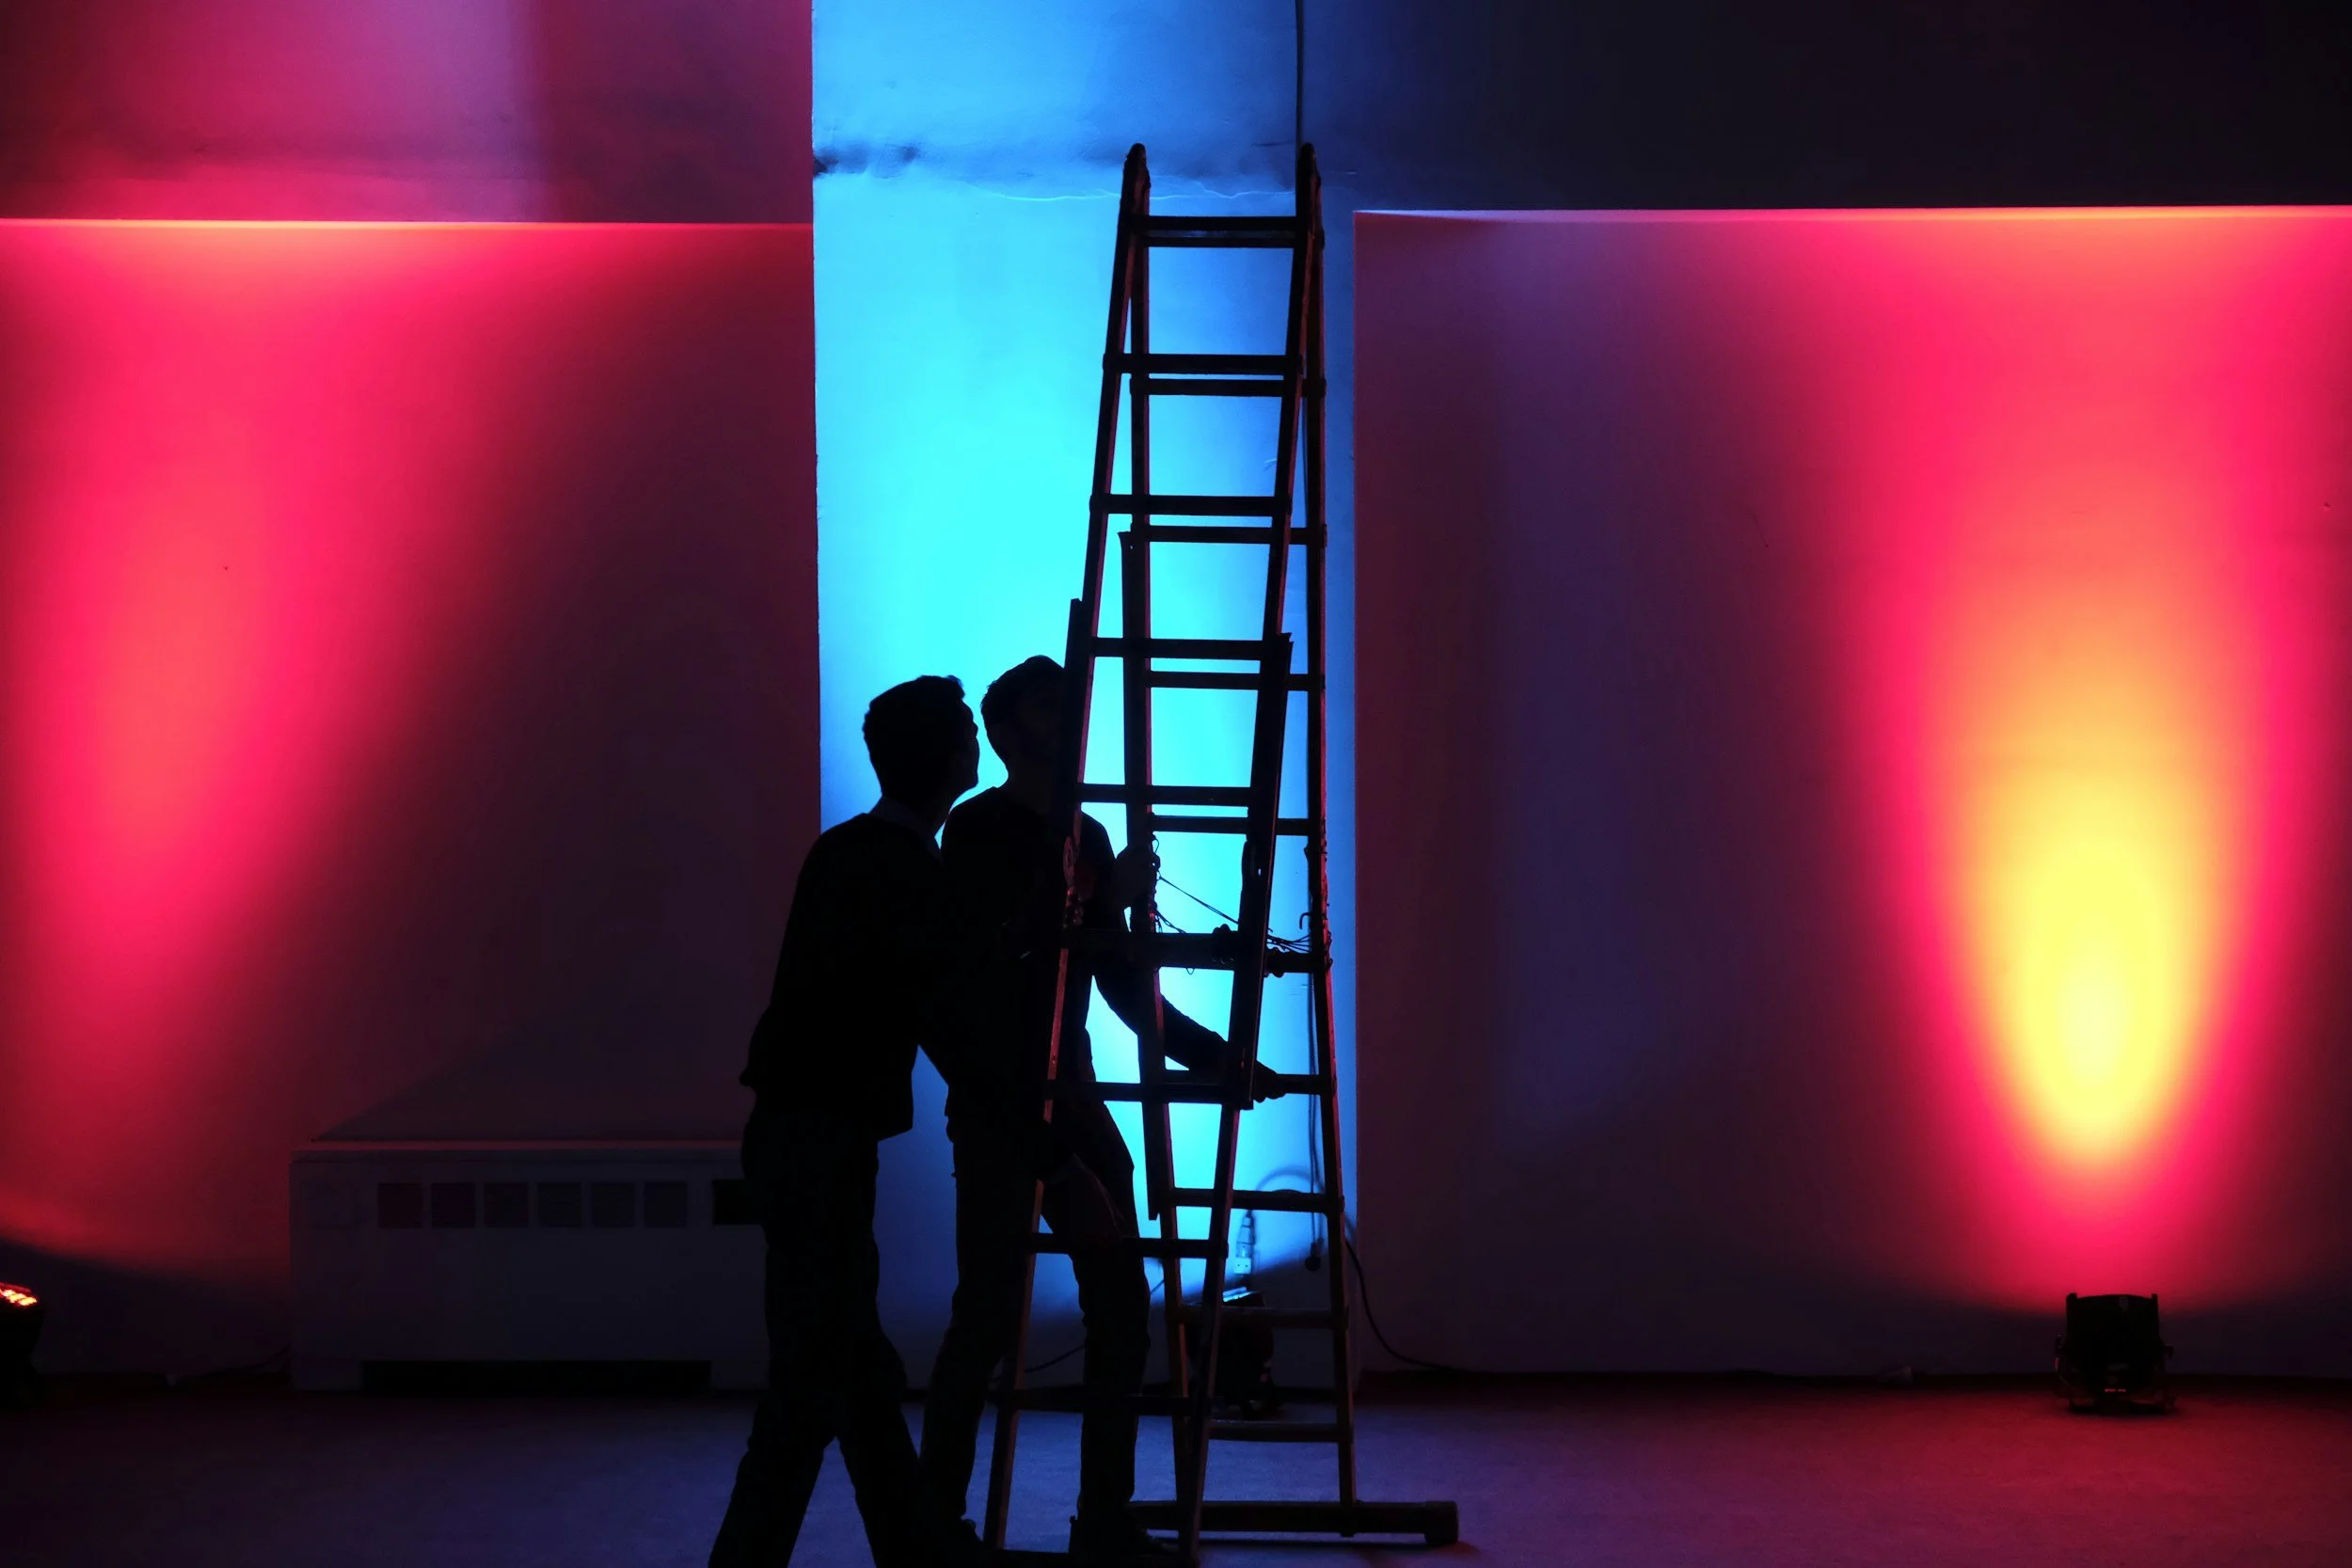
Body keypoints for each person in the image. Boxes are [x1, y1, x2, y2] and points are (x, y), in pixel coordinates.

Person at [920, 656, 1279, 1564]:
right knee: (987, 1318)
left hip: (1073, 1087)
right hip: (1002, 1096)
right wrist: (1089, 902)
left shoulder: (1087, 827)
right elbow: (986, 969)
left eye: (1067, 705)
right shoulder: (975, 831)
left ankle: (1103, 1519)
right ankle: (933, 1530)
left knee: (1120, 1305)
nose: (1066, 720)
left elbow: (1118, 981)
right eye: (1045, 710)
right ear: (1005, 734)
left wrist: (1218, 1056)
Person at [710, 675, 992, 1568]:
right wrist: (1050, 1155)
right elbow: (949, 1019)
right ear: (957, 760)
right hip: (826, 1147)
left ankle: (914, 1553)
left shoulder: (845, 855)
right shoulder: (912, 873)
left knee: (850, 1375)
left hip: (798, 1137)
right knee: (814, 1388)